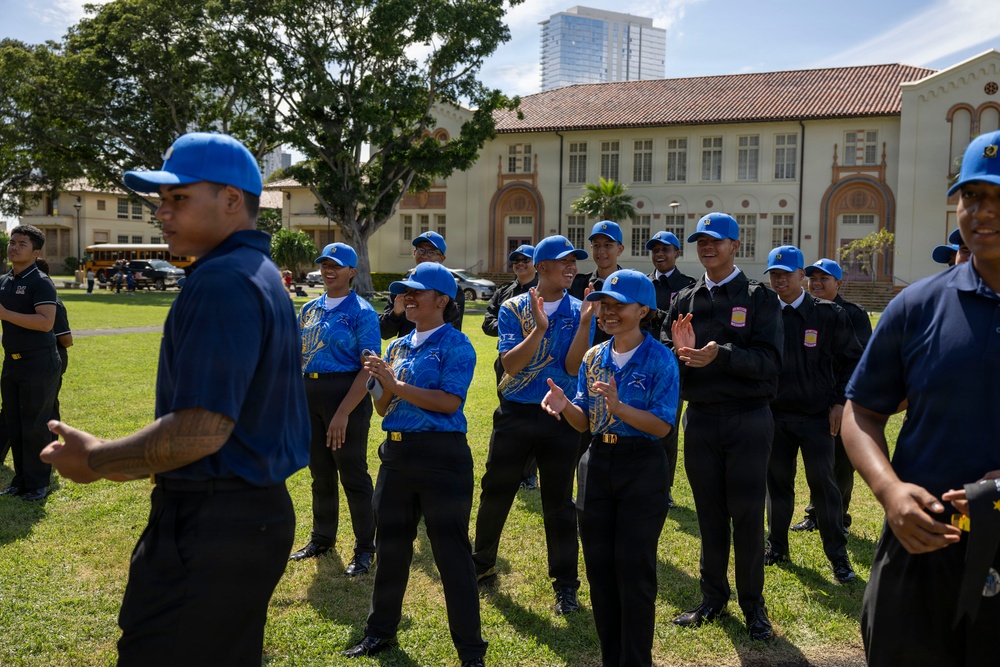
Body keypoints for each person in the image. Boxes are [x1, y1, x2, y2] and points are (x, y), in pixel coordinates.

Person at [40, 132, 309, 665]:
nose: (162, 212)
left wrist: (94, 460)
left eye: (178, 198)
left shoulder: (224, 281)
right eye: (161, 200)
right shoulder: (257, 273)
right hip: (248, 518)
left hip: (214, 524)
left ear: (232, 200)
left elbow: (203, 429)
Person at [841, 129, 1000, 665]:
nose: (982, 212)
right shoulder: (917, 306)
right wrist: (890, 492)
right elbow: (860, 412)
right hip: (921, 545)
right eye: (973, 195)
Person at [344, 262, 486, 667]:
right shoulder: (397, 346)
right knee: (391, 551)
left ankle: (471, 652)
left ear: (442, 300)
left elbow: (448, 403)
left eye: (416, 292)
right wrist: (382, 383)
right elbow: (382, 406)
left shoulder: (457, 344)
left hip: (441, 458)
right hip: (397, 456)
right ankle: (379, 632)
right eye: (404, 292)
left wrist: (397, 385)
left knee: (451, 556)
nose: (406, 298)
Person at [542, 269, 679, 667]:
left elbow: (662, 425)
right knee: (600, 572)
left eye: (619, 306)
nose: (608, 312)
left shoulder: (661, 359)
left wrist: (620, 408)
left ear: (644, 310)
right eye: (604, 305)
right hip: (597, 463)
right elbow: (585, 421)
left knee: (634, 573)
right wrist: (566, 407)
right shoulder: (593, 357)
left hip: (643, 466)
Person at [662, 212, 783, 641]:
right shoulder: (684, 300)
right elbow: (663, 358)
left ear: (735, 245)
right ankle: (713, 598)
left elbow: (771, 363)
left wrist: (722, 355)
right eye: (701, 241)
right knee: (710, 516)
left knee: (747, 516)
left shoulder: (759, 299)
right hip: (701, 422)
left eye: (716, 240)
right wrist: (676, 353)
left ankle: (754, 607)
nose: (707, 247)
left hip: (748, 420)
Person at [472, 235, 593, 615]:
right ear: (541, 268)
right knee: (497, 488)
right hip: (517, 415)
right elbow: (510, 365)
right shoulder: (513, 308)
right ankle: (481, 563)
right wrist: (539, 329)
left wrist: (587, 322)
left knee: (558, 502)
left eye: (574, 261)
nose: (571, 267)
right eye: (563, 262)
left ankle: (566, 585)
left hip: (561, 416)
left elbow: (574, 368)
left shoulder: (579, 309)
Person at [762, 246, 861, 585]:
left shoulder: (829, 314)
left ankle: (838, 556)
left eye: (786, 274)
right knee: (777, 485)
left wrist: (839, 402)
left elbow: (852, 361)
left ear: (801, 276)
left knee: (824, 486)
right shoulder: (764, 312)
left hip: (818, 417)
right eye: (774, 274)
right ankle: (776, 547)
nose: (779, 280)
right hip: (774, 416)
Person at [289, 242, 379, 577]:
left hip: (346, 394)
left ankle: (366, 547)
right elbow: (299, 354)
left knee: (352, 473)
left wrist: (343, 413)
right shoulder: (309, 309)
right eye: (325, 264)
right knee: (320, 473)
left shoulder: (362, 312)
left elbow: (368, 368)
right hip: (309, 392)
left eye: (337, 266)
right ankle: (322, 538)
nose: (329, 270)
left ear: (352, 272)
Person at [791, 258, 873, 534]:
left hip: (843, 397)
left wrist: (843, 400)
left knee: (840, 462)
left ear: (838, 283)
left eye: (823, 279)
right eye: (812, 278)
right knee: (818, 462)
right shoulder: (807, 311)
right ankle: (815, 515)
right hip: (814, 396)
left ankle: (840, 519)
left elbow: (858, 359)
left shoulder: (854, 314)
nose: (816, 284)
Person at [0, 225, 61, 502]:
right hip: (11, 362)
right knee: (14, 423)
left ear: (36, 252)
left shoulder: (41, 281)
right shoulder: (4, 281)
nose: (13, 247)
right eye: (12, 242)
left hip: (39, 362)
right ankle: (20, 480)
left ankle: (38, 484)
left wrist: (4, 313)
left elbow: (46, 322)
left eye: (21, 244)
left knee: (35, 425)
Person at [482, 243, 540, 490]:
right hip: (505, 361)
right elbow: (487, 323)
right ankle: (505, 467)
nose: (520, 263)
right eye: (516, 260)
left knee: (533, 416)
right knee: (508, 413)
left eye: (525, 259)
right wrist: (511, 328)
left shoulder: (544, 290)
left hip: (538, 362)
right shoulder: (504, 291)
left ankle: (528, 474)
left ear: (536, 263)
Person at [645, 230, 696, 509]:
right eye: (655, 250)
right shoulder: (642, 284)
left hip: (672, 369)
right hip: (640, 366)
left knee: (667, 430)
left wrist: (657, 315)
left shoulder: (688, 286)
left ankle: (663, 488)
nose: (660, 254)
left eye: (666, 249)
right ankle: (641, 481)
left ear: (678, 253)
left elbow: (688, 325)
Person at [379, 230, 464, 337]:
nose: (424, 256)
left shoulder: (451, 288)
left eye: (431, 252)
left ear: (442, 259)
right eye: (421, 250)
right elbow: (384, 333)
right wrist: (395, 314)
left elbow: (454, 327)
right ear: (414, 253)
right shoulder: (402, 288)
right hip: (406, 349)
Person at [570, 220, 625, 345]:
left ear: (620, 249)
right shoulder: (578, 284)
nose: (601, 251)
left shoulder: (631, 285)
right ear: (591, 249)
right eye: (596, 245)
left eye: (608, 245)